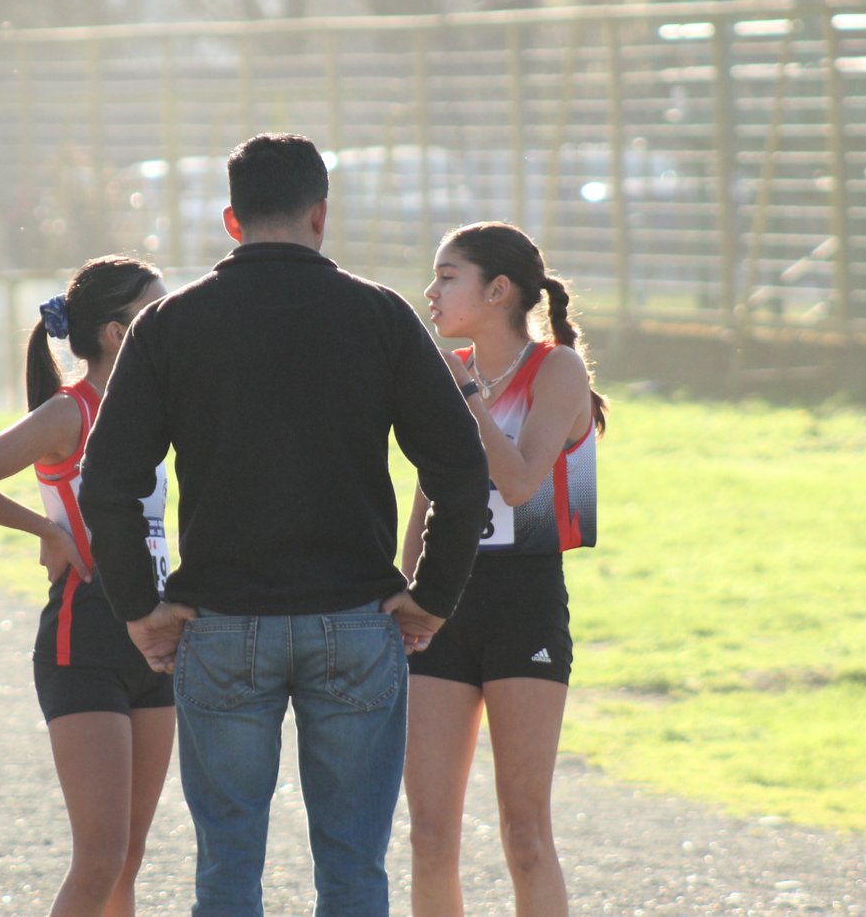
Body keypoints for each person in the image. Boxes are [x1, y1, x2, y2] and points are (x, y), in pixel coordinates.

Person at [77, 133, 492, 917]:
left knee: (228, 865)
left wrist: (139, 605)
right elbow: (462, 471)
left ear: (231, 220)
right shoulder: (381, 314)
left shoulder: (169, 323)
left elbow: (107, 483)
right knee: (354, 865)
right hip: (357, 616)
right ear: (321, 214)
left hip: (221, 620)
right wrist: (433, 593)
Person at [0, 255, 173, 917]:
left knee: (128, 856)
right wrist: (45, 530)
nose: (171, 323)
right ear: (116, 333)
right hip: (85, 636)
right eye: (157, 312)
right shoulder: (71, 412)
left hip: (155, 638)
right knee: (99, 858)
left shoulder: (153, 410)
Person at [401, 221, 607, 917]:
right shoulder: (449, 371)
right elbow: (429, 494)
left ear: (497, 290)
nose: (431, 291)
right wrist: (406, 590)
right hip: (443, 599)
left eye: (447, 276)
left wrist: (465, 395)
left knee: (525, 834)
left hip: (524, 602)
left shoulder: (557, 369)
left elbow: (519, 483)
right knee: (430, 835)